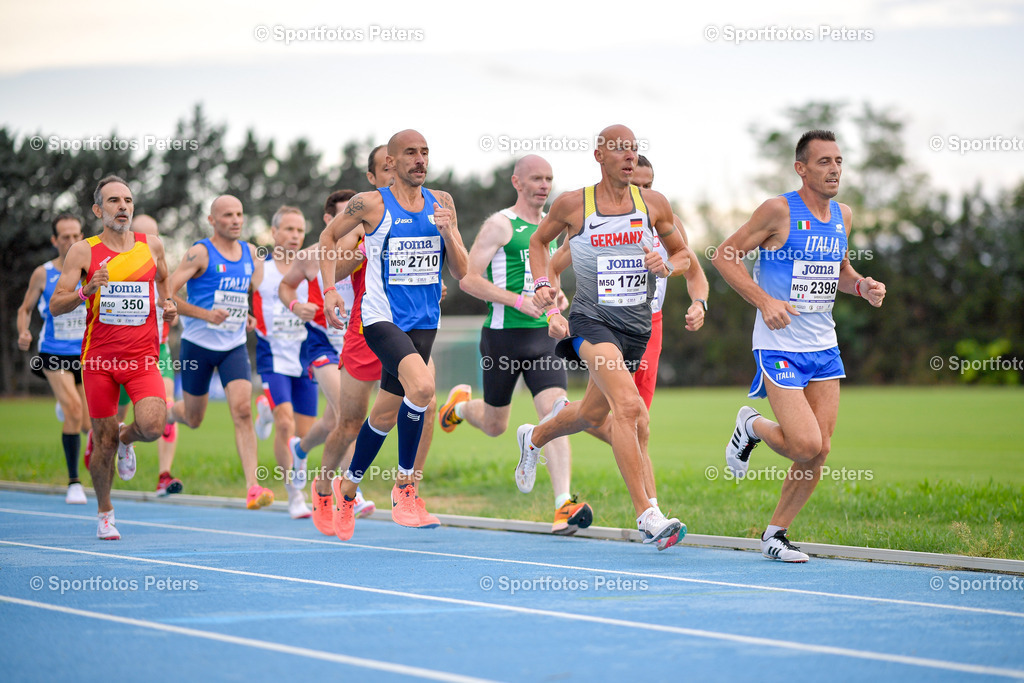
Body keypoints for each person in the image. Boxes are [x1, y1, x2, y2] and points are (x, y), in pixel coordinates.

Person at [711, 129, 886, 563]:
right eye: (824, 161)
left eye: (839, 161)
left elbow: (839, 271)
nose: (834, 170)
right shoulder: (777, 211)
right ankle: (750, 426)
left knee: (820, 450)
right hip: (779, 344)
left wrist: (862, 286)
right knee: (805, 444)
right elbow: (724, 255)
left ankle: (775, 534)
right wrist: (764, 300)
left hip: (824, 345)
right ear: (801, 168)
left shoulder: (842, 215)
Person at [519, 125, 692, 551]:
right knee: (629, 408)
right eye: (620, 150)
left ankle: (535, 437)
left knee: (592, 415)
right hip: (592, 321)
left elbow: (684, 254)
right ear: (599, 155)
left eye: (634, 149)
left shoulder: (653, 204)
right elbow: (538, 243)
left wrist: (666, 265)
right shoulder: (574, 204)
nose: (629, 156)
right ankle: (647, 514)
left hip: (636, 327)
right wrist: (543, 283)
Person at [318, 129, 468, 541]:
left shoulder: (443, 202)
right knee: (423, 389)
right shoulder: (370, 204)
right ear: (393, 161)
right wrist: (330, 289)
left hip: (425, 322)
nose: (420, 160)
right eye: (410, 154)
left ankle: (346, 490)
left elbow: (461, 270)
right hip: (381, 319)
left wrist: (451, 232)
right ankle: (404, 489)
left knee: (384, 414)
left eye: (425, 153)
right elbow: (328, 237)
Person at [438, 154, 592, 535]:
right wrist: (517, 299)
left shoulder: (552, 230)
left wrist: (558, 301)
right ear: (517, 182)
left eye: (549, 179)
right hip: (502, 337)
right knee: (495, 424)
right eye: (536, 179)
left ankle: (563, 505)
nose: (544, 185)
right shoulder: (500, 225)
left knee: (555, 413)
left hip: (543, 337)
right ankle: (460, 406)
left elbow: (551, 280)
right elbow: (468, 280)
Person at [49, 175, 177, 539]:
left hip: (142, 358)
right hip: (99, 361)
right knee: (101, 441)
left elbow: (165, 280)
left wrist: (168, 306)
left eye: (127, 200)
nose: (122, 206)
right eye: (113, 201)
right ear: (97, 209)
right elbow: (57, 304)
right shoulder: (83, 251)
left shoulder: (151, 245)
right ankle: (105, 512)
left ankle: (128, 438)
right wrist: (85, 290)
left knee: (154, 425)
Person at [550, 154, 709, 445]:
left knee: (629, 419)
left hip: (650, 327)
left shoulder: (666, 223)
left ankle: (564, 416)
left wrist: (699, 303)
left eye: (649, 185)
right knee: (633, 419)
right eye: (636, 184)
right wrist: (551, 305)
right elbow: (553, 265)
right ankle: (646, 492)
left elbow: (695, 273)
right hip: (603, 324)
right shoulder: (595, 224)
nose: (643, 192)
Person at [165, 195, 274, 509]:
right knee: (194, 418)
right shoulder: (199, 253)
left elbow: (244, 294)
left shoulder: (251, 253)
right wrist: (204, 314)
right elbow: (167, 292)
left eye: (239, 213)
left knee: (242, 411)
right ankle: (170, 412)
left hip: (233, 346)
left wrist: (248, 314)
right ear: (213, 220)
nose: (236, 220)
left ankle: (253, 487)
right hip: (198, 345)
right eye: (228, 215)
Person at [278, 188, 376, 531]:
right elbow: (285, 288)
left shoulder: (370, 249)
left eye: (358, 219)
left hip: (358, 343)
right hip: (322, 345)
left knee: (334, 419)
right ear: (327, 220)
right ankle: (352, 489)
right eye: (343, 217)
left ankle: (300, 449)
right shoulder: (311, 256)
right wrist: (295, 305)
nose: (352, 225)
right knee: (350, 418)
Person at [17, 213, 91, 504]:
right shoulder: (43, 273)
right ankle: (74, 482)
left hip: (85, 356)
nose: (72, 241)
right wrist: (24, 332)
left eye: (76, 236)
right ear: (55, 241)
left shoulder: (91, 270)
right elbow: (25, 308)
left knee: (88, 424)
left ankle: (66, 404)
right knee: (73, 410)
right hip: (54, 353)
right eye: (65, 237)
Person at [251, 206, 317, 518]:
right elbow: (240, 297)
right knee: (286, 423)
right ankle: (294, 494)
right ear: (274, 233)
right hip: (272, 355)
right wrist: (247, 318)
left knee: (304, 436)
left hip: (305, 357)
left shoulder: (311, 266)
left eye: (300, 231)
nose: (294, 236)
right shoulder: (260, 268)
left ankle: (264, 410)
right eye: (288, 229)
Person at [112, 214, 182, 497]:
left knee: (164, 408)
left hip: (157, 353)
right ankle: (117, 445)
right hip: (116, 356)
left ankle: (164, 476)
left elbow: (173, 314)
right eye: (144, 235)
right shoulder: (113, 268)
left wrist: (171, 310)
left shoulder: (161, 269)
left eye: (155, 236)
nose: (150, 242)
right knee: (113, 420)